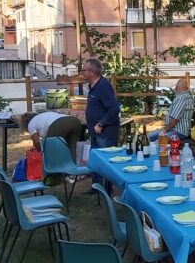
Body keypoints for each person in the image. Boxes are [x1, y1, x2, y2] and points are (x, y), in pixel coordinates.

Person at [82, 58, 121, 191]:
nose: (82, 72)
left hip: (105, 132)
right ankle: (97, 187)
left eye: (84, 70)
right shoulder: (93, 86)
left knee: (105, 160)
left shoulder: (103, 86)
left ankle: (106, 188)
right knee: (95, 159)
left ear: (92, 72)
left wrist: (101, 123)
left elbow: (114, 109)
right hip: (95, 132)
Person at [14, 111, 84, 159]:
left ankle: (55, 173)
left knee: (51, 151)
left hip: (59, 124)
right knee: (72, 149)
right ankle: (72, 173)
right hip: (75, 121)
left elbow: (37, 142)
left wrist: (41, 153)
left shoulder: (31, 124)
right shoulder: (44, 115)